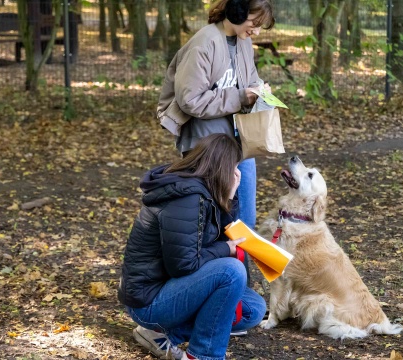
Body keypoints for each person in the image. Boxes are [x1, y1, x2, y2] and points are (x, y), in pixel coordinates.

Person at [117, 134, 266, 360]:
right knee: (230, 271)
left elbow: (216, 235)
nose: (237, 175)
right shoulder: (186, 198)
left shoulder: (203, 191)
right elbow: (184, 265)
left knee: (253, 308)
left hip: (171, 288)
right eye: (234, 169)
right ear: (223, 168)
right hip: (149, 301)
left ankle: (163, 333)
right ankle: (203, 355)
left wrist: (230, 197)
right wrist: (226, 249)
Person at [156, 0, 275, 235]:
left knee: (245, 224)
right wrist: (241, 97)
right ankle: (223, 272)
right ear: (237, 11)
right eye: (255, 23)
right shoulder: (203, 43)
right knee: (218, 226)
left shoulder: (244, 42)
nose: (257, 31)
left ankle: (237, 273)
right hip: (207, 148)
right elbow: (190, 100)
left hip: (239, 143)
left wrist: (259, 91)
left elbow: (249, 80)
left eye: (262, 26)